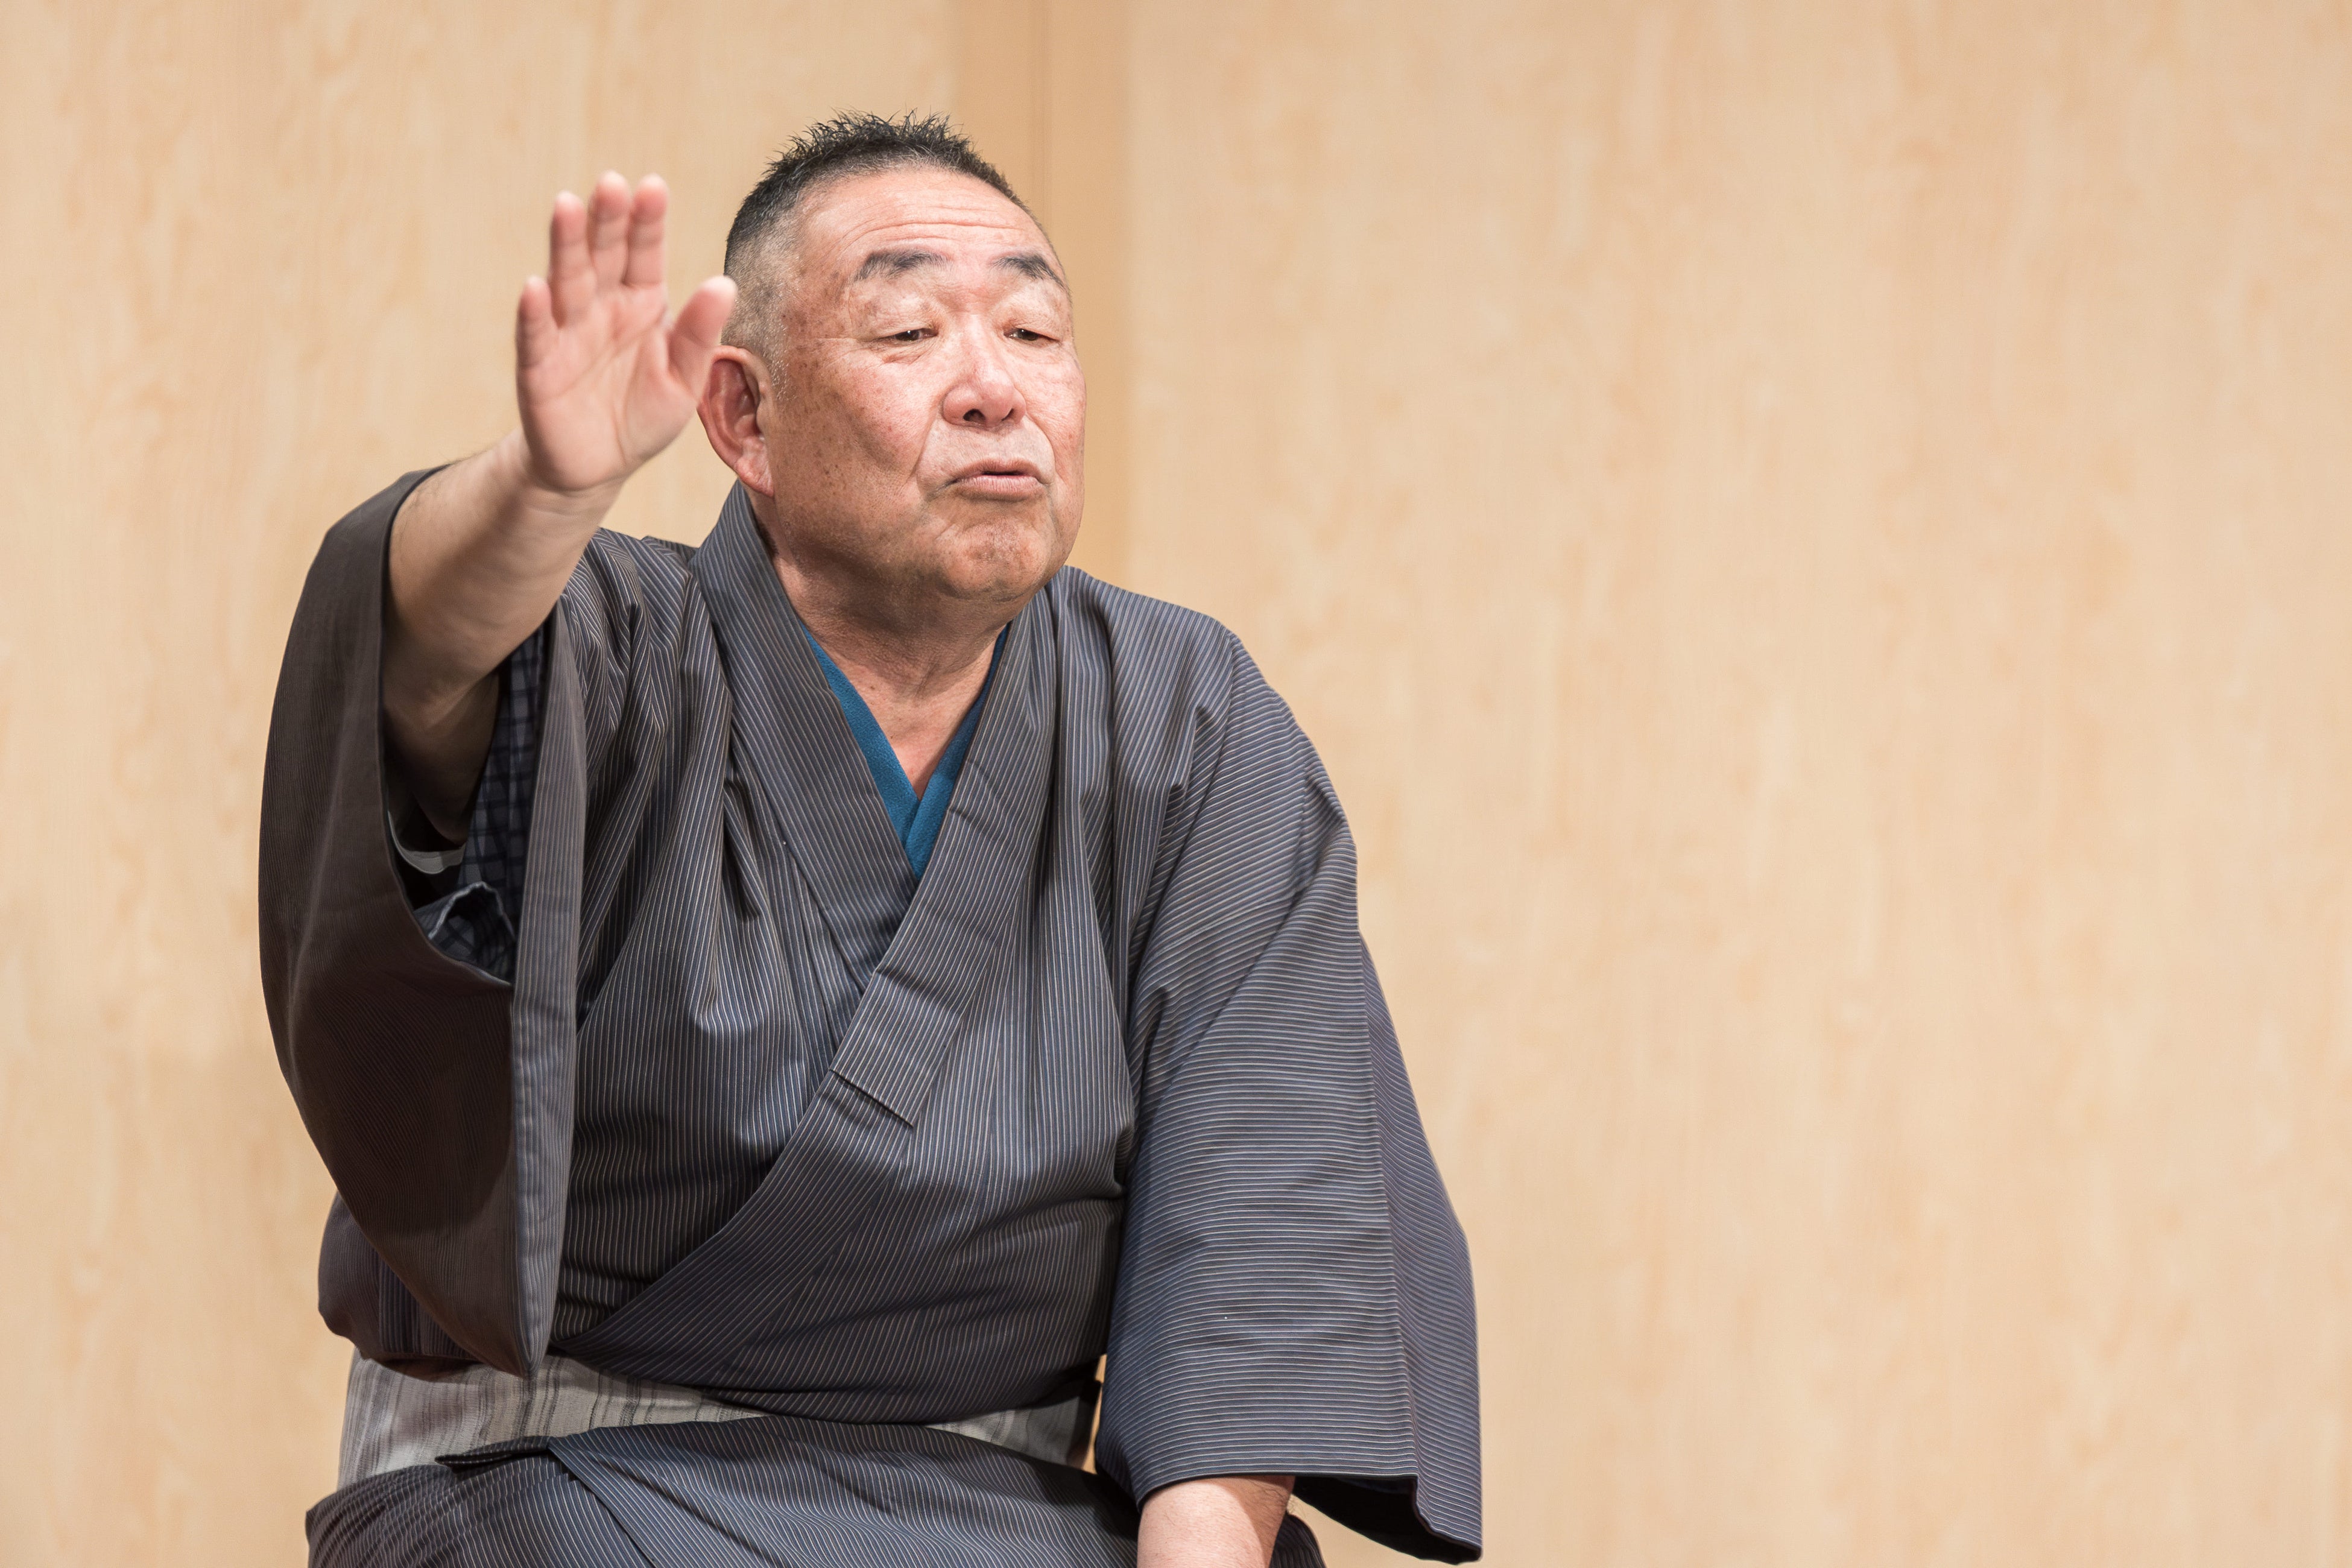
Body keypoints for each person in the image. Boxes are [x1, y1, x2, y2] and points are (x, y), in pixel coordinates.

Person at [259, 112, 1478, 1567]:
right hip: (571, 1487)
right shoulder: (612, 649)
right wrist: (540, 492)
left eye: (1033, 332)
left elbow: (1256, 1238)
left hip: (1019, 1517)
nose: (994, 389)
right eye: (909, 332)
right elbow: (420, 657)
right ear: (743, 418)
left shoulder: (1185, 718)